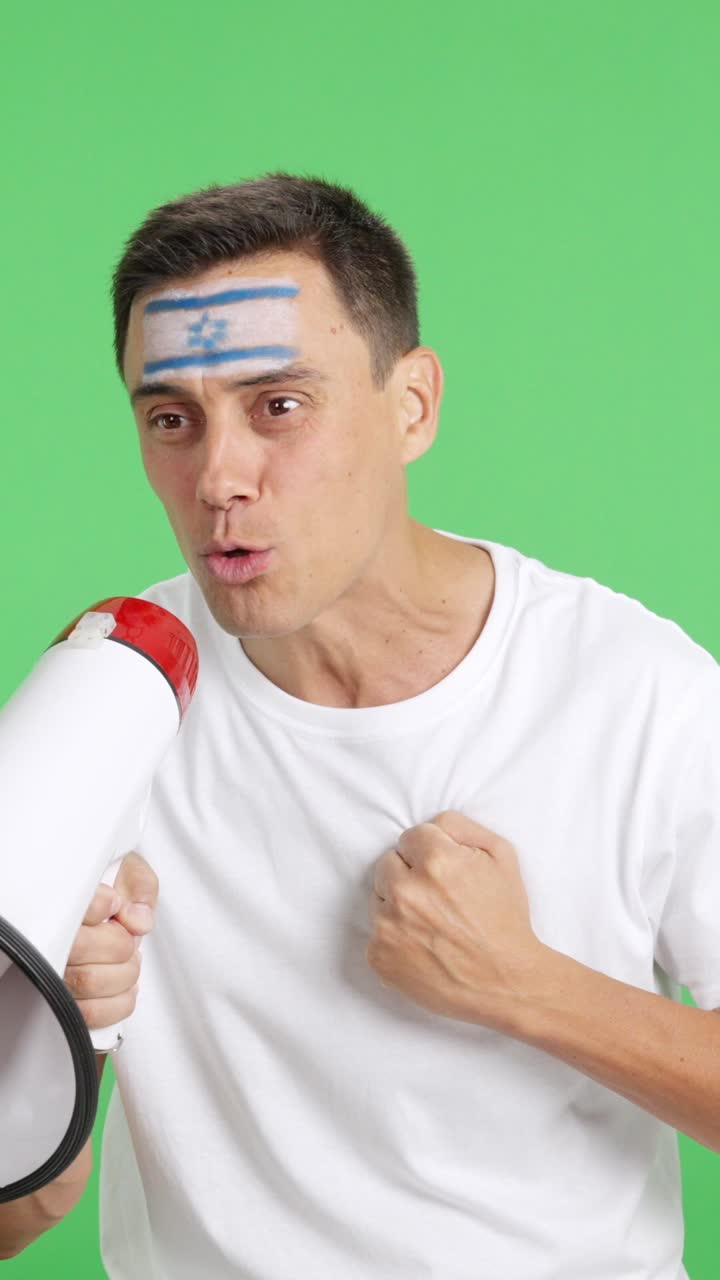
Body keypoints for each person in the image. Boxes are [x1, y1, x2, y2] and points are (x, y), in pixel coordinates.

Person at [4, 172, 720, 1278]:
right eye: (171, 419)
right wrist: (59, 1033)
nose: (219, 476)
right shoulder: (110, 704)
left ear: (412, 404)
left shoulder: (634, 691)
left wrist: (522, 980)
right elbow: (14, 1211)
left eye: (279, 405)